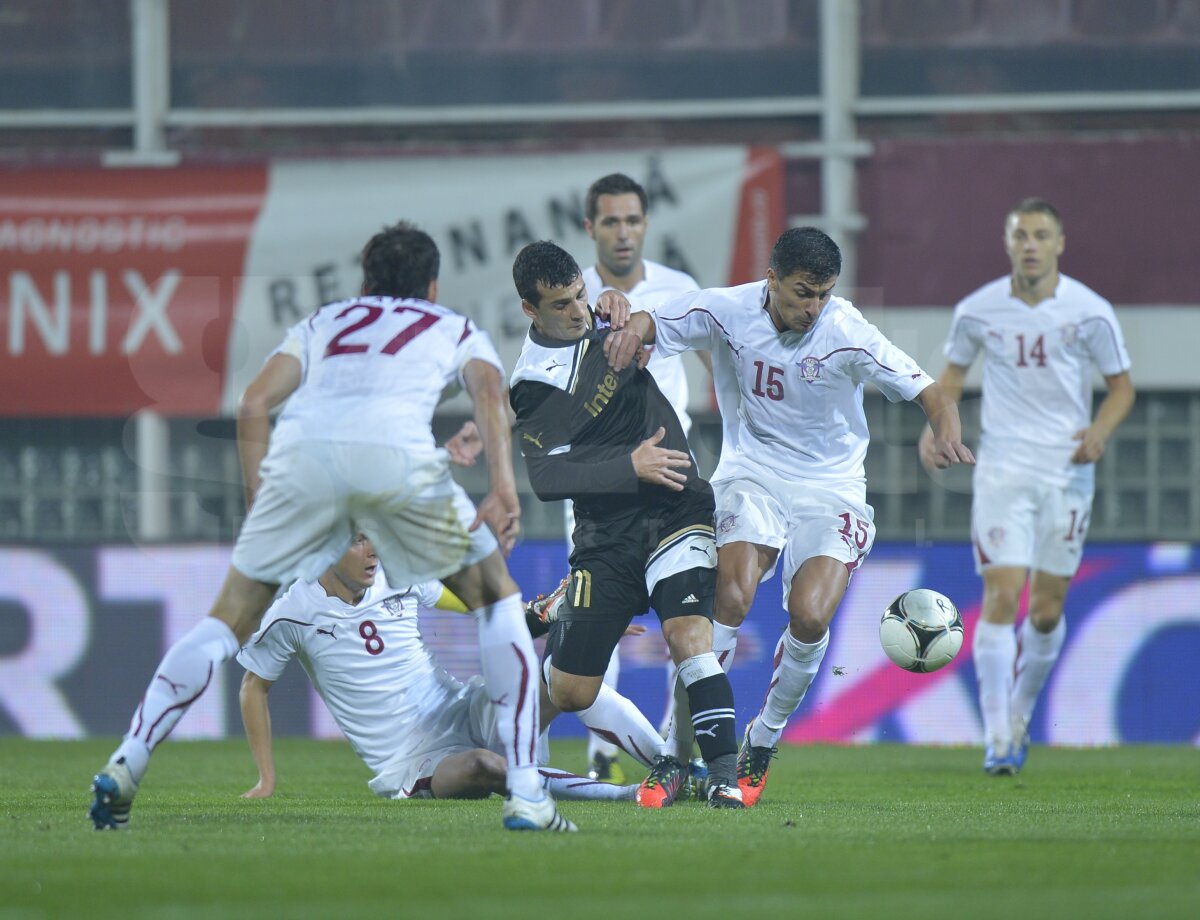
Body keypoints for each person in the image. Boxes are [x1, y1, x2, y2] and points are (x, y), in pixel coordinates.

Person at [90, 221, 574, 833]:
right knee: (498, 603)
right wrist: (504, 485)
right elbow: (488, 388)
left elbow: (253, 403)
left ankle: (126, 763)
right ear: (431, 283)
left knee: (223, 624)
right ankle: (528, 792)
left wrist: (260, 501)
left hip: (303, 463)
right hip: (398, 462)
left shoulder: (324, 322)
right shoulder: (450, 325)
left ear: (365, 280)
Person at [603, 226, 975, 806]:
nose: (814, 307)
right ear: (771, 279)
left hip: (832, 489)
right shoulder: (729, 310)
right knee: (729, 595)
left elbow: (931, 392)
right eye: (803, 292)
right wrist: (631, 334)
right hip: (751, 473)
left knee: (810, 614)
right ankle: (677, 754)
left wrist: (945, 432)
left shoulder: (845, 330)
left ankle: (763, 739)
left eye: (824, 293)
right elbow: (657, 317)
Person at [509, 240, 745, 809]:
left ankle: (726, 779)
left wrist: (628, 310)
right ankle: (668, 763)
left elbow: (671, 318)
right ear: (529, 310)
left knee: (690, 637)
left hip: (674, 506)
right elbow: (546, 476)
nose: (577, 311)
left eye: (580, 296)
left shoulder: (608, 316)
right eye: (561, 304)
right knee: (568, 688)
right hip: (604, 535)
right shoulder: (533, 382)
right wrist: (627, 465)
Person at [918, 198, 1135, 776]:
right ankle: (996, 736)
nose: (1031, 245)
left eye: (1041, 235)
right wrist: (934, 430)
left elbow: (1121, 388)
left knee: (1044, 611)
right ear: (1008, 242)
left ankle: (1018, 712)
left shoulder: (1091, 312)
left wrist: (1100, 432)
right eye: (1021, 236)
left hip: (1067, 471)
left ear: (1060, 243)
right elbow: (952, 380)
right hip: (1003, 468)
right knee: (1002, 595)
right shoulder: (978, 310)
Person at [239, 532, 659, 804]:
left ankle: (673, 765)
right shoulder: (293, 613)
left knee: (563, 678)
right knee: (482, 767)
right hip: (415, 759)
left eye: (373, 537)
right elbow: (253, 687)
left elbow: (481, 607)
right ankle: (626, 796)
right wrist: (266, 778)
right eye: (358, 541)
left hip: (464, 707)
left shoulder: (398, 575)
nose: (373, 551)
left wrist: (553, 615)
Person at [577, 172, 705, 784]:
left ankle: (681, 748)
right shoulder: (570, 298)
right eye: (610, 221)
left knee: (686, 618)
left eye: (632, 220)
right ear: (590, 228)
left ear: (646, 224)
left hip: (672, 475)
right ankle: (606, 750)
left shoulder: (678, 290)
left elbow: (723, 355)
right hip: (597, 477)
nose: (623, 233)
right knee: (600, 614)